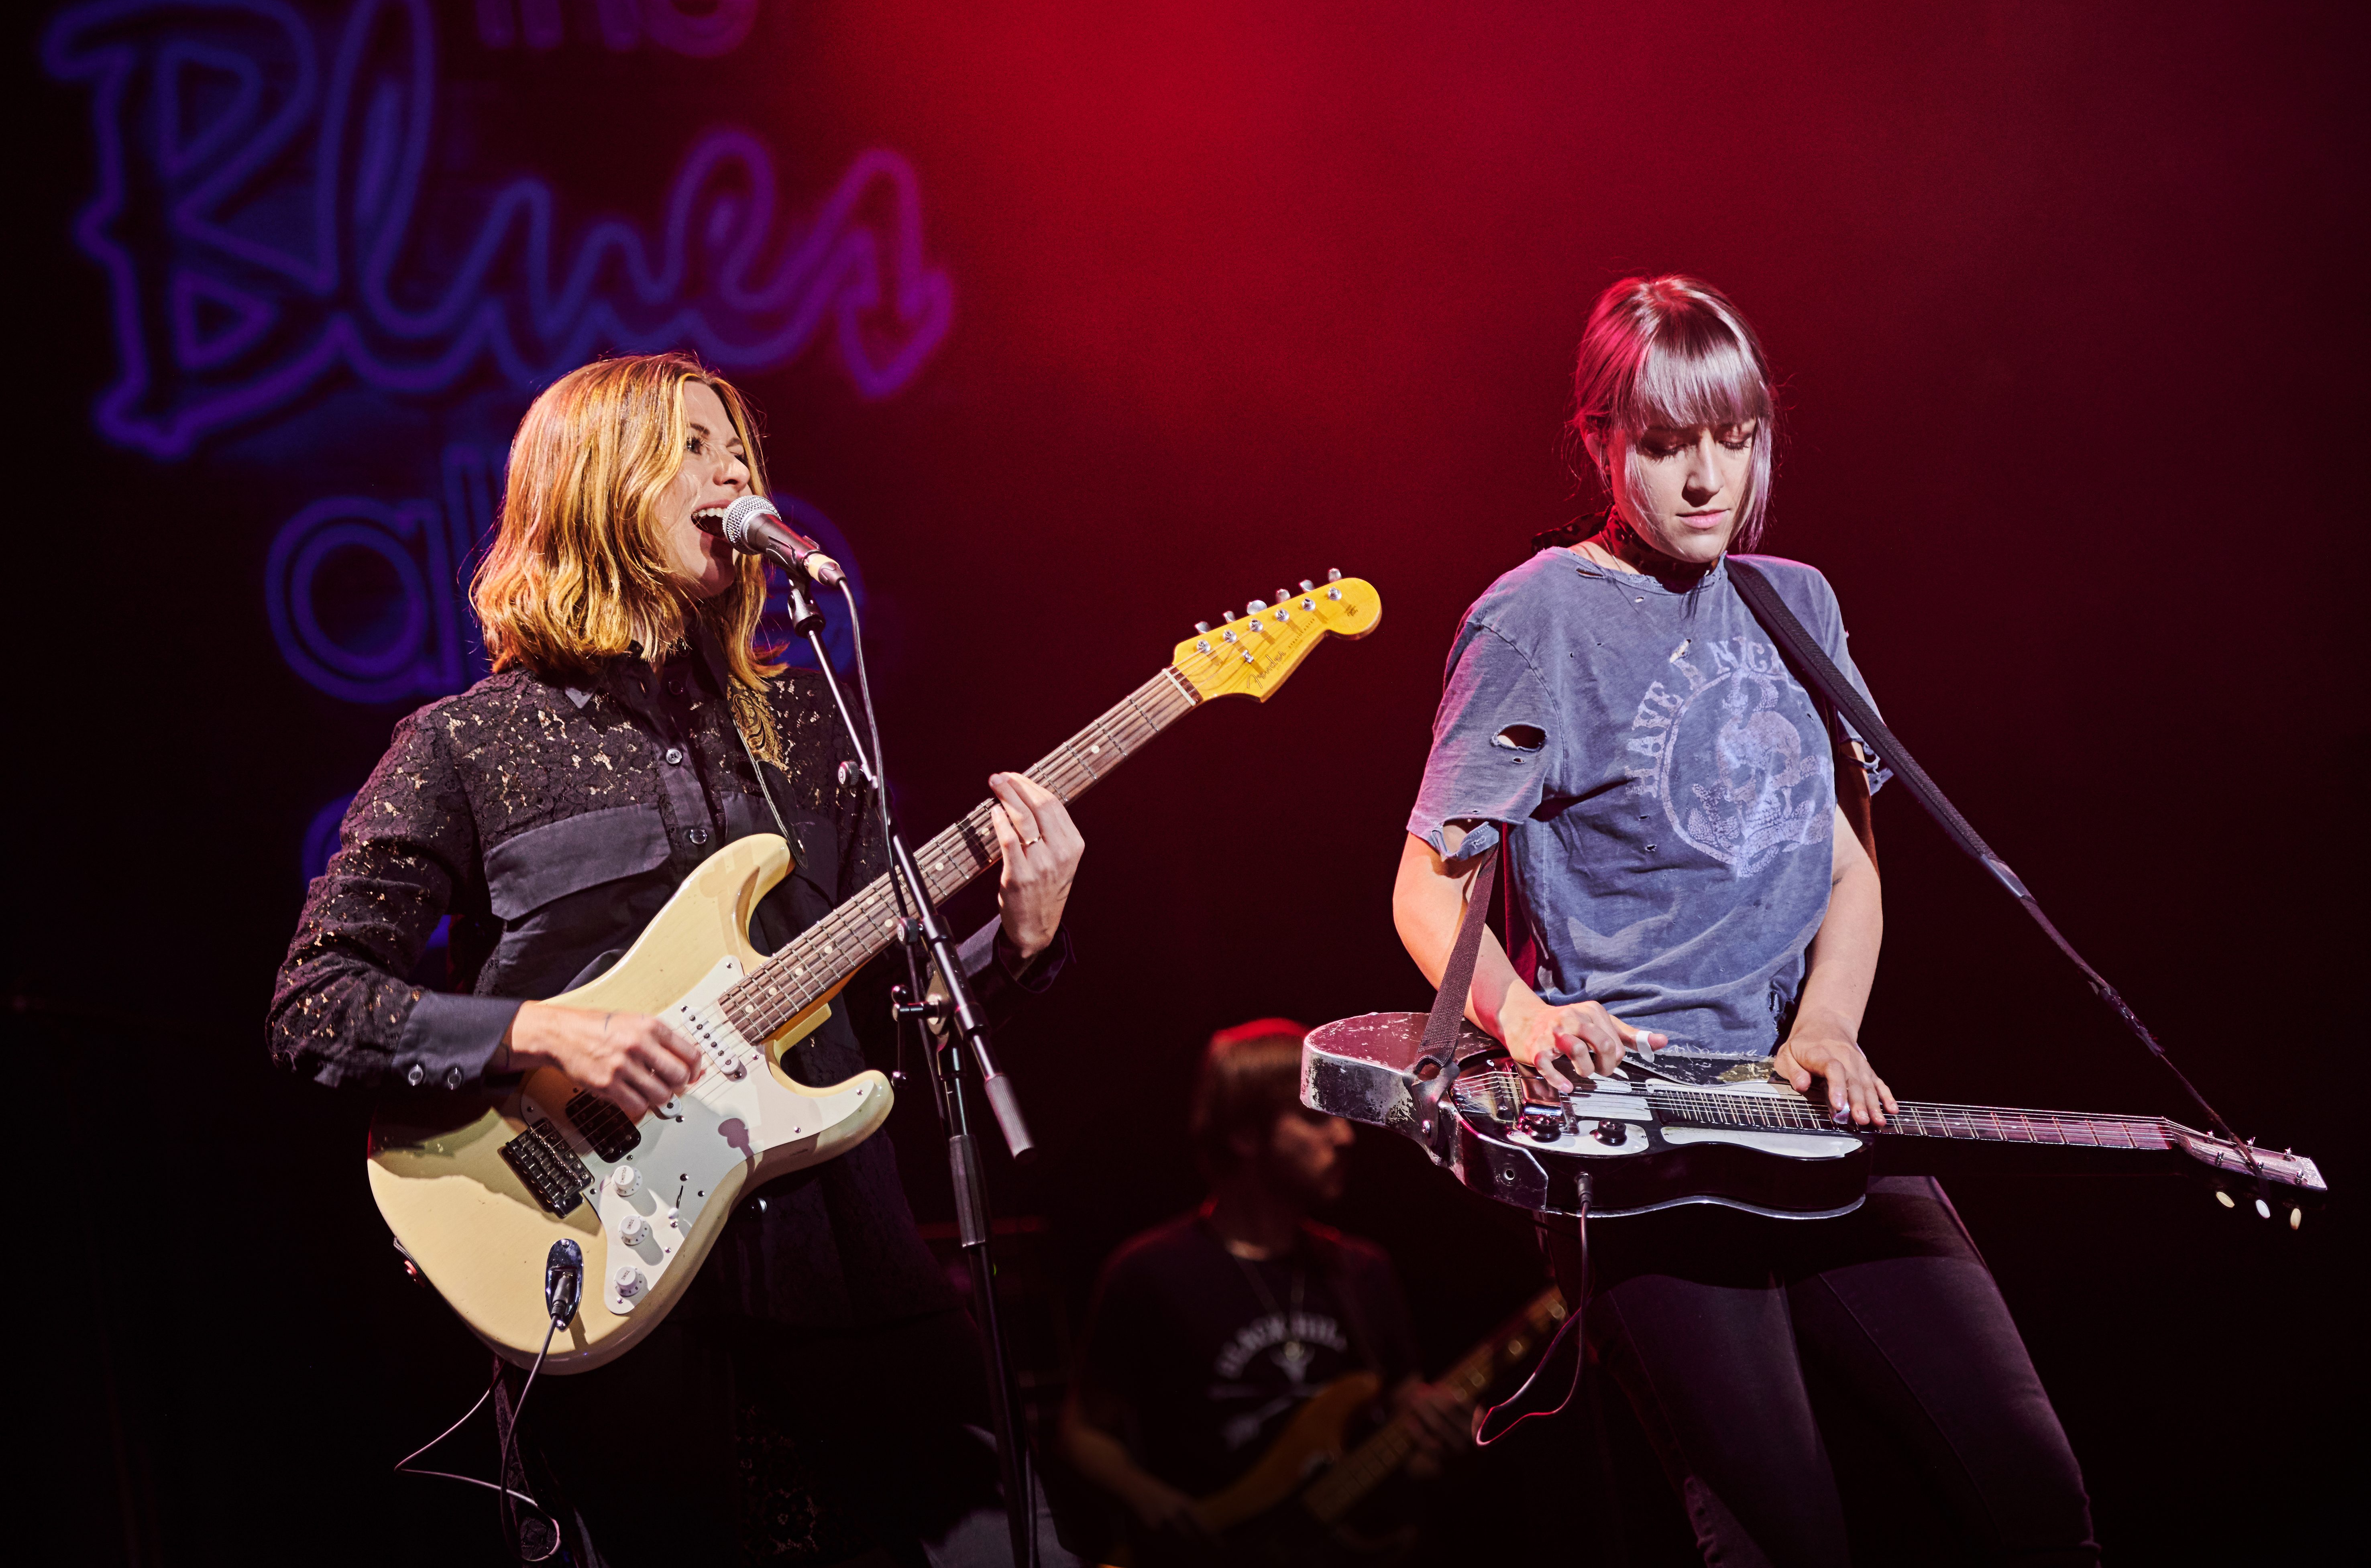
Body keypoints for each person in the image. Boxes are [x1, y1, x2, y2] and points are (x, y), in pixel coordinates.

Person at [269, 354, 1086, 1566]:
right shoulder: (466, 745)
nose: (734, 472)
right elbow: (315, 1005)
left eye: (743, 451)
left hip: (842, 1262)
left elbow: (906, 1028)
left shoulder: (809, 728)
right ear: (598, 484)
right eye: (696, 447)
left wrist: (1021, 941)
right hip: (605, 1268)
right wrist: (534, 1031)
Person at [1389, 277, 2098, 1566]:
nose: (1707, 478)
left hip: (1807, 1114)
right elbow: (1427, 883)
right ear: (1600, 441)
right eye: (1664, 446)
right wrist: (1530, 1014)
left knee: (2032, 1502)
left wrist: (1830, 1020)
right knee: (1785, 1538)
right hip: (1644, 1137)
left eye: (1735, 438)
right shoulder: (1536, 618)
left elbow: (1852, 866)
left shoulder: (1797, 603)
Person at [1057, 1018, 1469, 1563]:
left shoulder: (1361, 1270)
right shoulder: (1148, 1273)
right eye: (1314, 1118)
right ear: (1244, 1133)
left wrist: (1437, 1430)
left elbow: (1401, 1408)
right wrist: (1150, 1499)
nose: (1344, 1137)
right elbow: (1084, 1429)